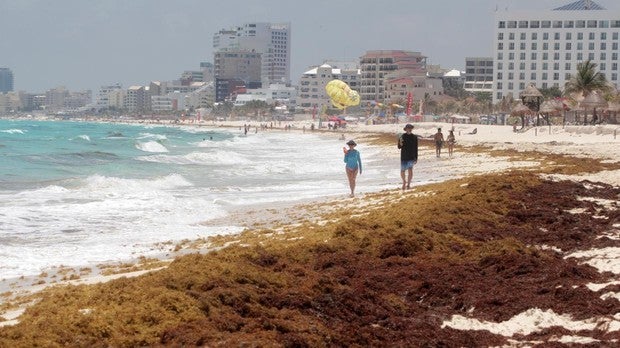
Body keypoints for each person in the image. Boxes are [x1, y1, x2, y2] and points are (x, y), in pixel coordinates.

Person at [398, 124, 418, 190]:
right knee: (402, 171)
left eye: (410, 128)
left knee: (410, 170)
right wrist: (400, 143)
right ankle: (404, 181)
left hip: (411, 156)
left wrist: (416, 158)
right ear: (406, 129)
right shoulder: (402, 136)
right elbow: (399, 147)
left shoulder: (414, 137)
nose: (409, 129)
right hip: (404, 156)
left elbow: (416, 148)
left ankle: (408, 184)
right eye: (408, 128)